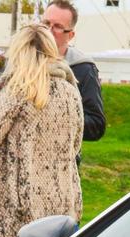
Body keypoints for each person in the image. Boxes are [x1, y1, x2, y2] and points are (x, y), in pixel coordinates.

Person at [0, 24, 83, 237]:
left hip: (17, 211)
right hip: (60, 209)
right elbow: (76, 144)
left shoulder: (18, 90)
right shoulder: (70, 91)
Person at [40, 0, 105, 143]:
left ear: (70, 35)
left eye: (57, 27)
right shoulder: (22, 61)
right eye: (45, 24)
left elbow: (96, 125)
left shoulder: (83, 68)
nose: (48, 31)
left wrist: (55, 120)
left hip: (61, 159)